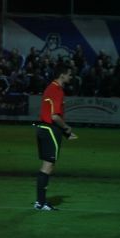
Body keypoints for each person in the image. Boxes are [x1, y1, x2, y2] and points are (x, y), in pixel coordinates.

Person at [34, 63, 77, 211]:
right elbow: (54, 116)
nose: (71, 77)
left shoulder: (51, 88)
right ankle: (41, 203)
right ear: (62, 75)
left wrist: (66, 133)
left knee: (47, 165)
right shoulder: (56, 90)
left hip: (44, 128)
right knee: (48, 166)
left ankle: (40, 202)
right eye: (69, 74)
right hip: (50, 130)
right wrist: (67, 128)